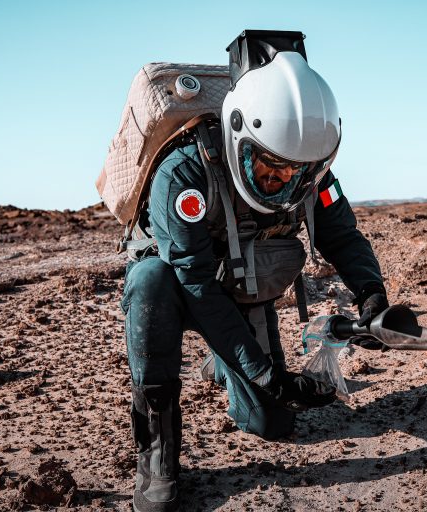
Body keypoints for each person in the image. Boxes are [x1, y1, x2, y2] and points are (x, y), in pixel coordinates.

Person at [121, 31, 389, 512]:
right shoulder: (184, 172)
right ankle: (157, 454)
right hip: (186, 289)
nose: (281, 180)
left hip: (243, 289)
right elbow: (194, 280)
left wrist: (372, 294)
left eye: (295, 172)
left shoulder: (308, 171)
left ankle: (225, 364)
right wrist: (265, 372)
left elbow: (342, 235)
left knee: (272, 423)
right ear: (240, 134)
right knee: (150, 282)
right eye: (268, 167)